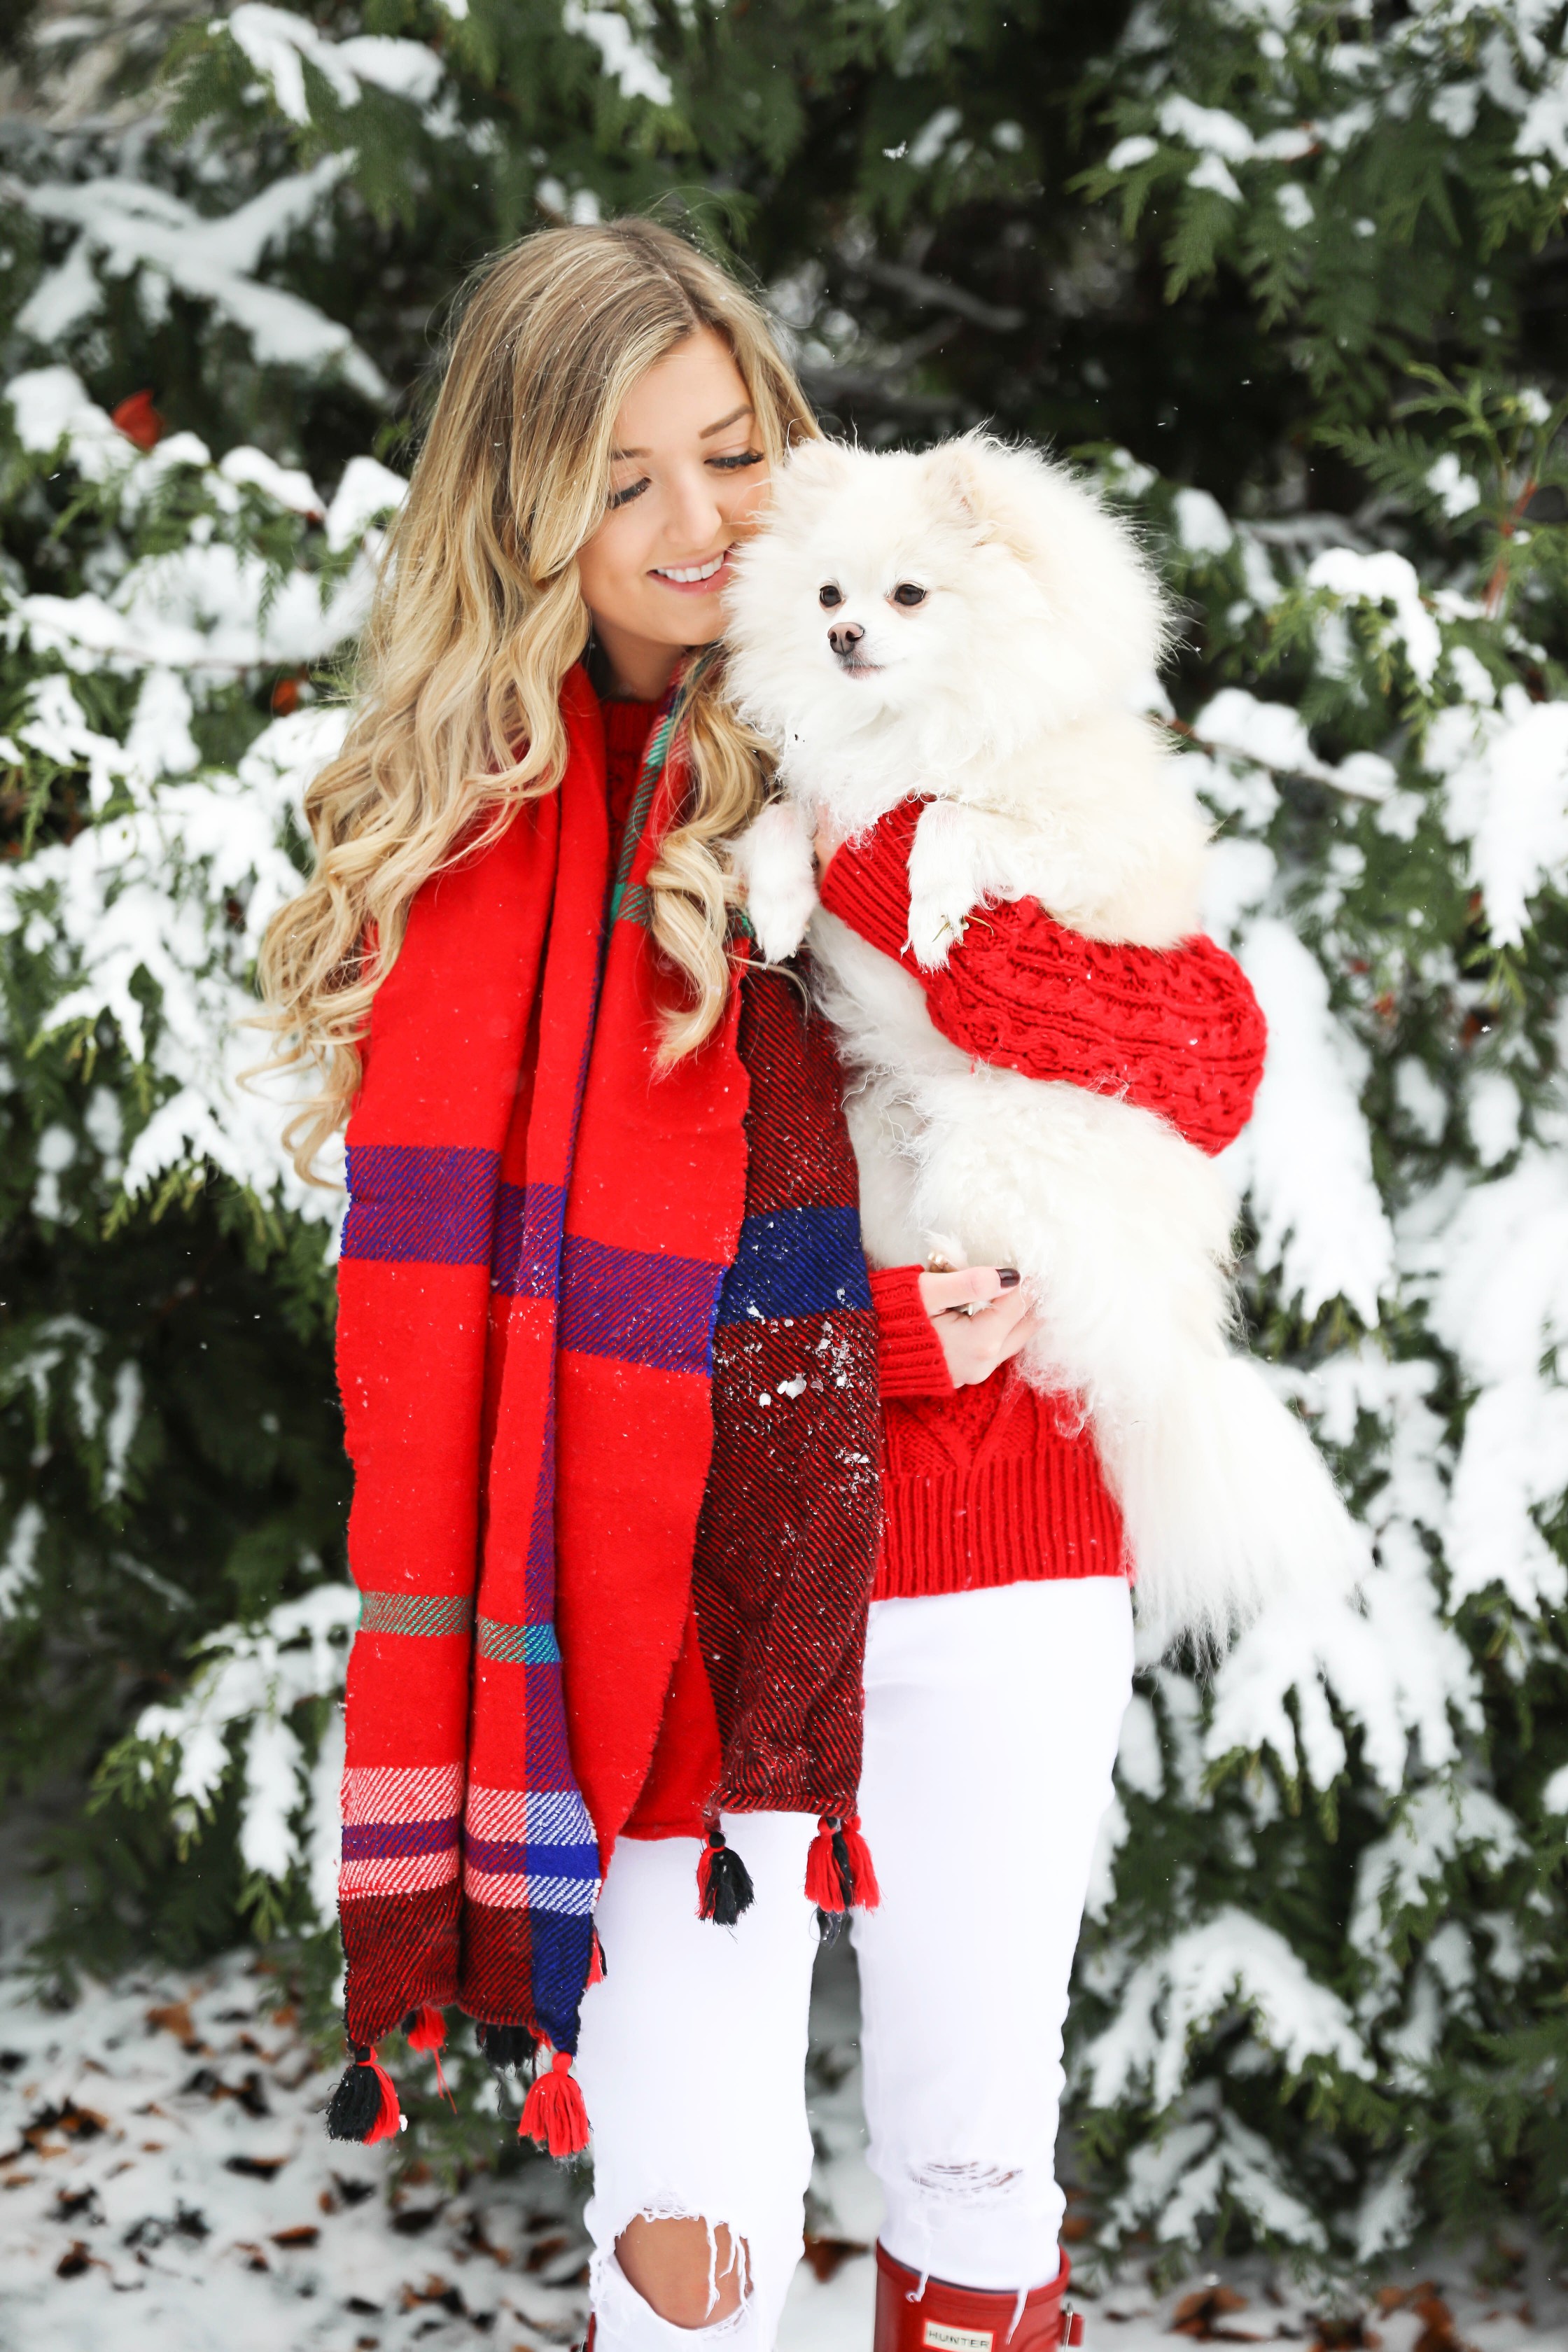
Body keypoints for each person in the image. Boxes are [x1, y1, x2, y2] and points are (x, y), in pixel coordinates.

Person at [260, 218, 1266, 2352]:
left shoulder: (896, 708)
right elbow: (490, 1327)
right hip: (662, 1606)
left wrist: (908, 888)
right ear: (528, 507)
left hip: (994, 1545)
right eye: (624, 481)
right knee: (689, 2230)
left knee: (983, 2164)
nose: (700, 522)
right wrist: (864, 1339)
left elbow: (1208, 1052)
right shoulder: (465, 850)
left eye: (728, 450)